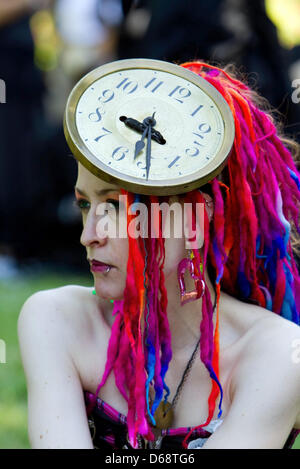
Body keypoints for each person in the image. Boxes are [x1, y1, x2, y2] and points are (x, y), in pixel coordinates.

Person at [18, 60, 300, 449]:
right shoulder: (57, 320)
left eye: (116, 207)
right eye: (85, 205)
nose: (88, 236)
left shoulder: (281, 353)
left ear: (195, 221)